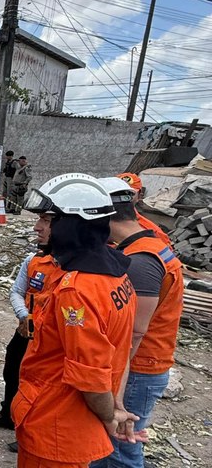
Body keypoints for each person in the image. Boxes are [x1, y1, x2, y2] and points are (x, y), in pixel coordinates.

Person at [13, 173, 141, 468]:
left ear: (72, 224)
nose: (37, 226)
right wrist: (115, 405)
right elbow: (120, 349)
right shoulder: (115, 275)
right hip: (70, 424)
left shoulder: (77, 290)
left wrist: (110, 415)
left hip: (55, 426)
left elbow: (90, 375)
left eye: (48, 219)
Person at [90, 178, 184, 468]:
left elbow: (133, 335)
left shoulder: (141, 260)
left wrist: (112, 393)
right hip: (143, 366)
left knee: (120, 449)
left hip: (138, 369)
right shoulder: (150, 242)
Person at [0, 212, 63, 442]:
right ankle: (8, 415)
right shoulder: (34, 260)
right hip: (27, 330)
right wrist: (24, 316)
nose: (36, 227)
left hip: (50, 338)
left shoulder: (72, 269)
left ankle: (31, 431)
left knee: (40, 383)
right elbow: (17, 292)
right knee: (12, 369)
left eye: (46, 222)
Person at [116, 172, 171, 245]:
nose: (122, 198)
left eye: (129, 193)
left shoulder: (153, 232)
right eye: (118, 193)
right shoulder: (99, 221)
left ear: (139, 196)